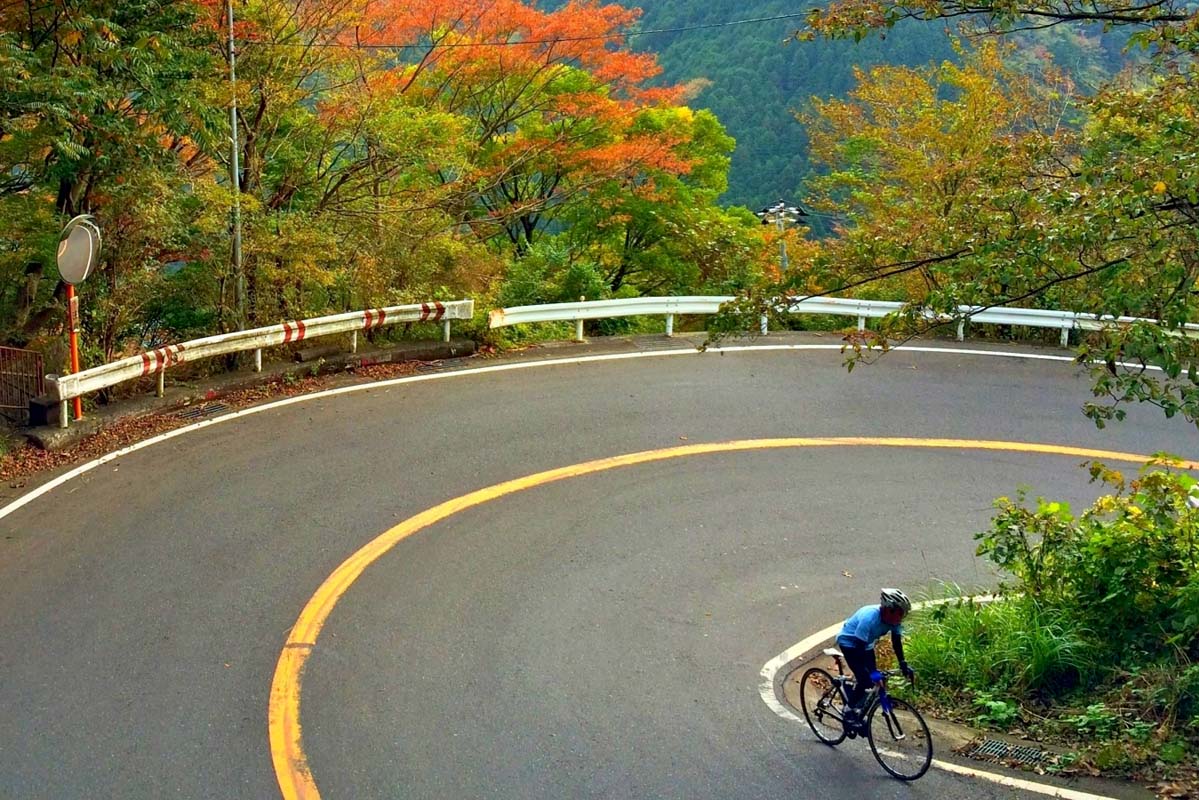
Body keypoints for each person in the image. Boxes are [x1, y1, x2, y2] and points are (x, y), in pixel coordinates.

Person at [836, 588, 915, 731]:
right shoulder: (869, 618)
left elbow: (896, 642)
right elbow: (859, 651)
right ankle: (848, 710)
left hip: (866, 645)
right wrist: (871, 672)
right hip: (850, 643)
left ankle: (858, 703)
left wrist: (903, 664)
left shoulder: (894, 620)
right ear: (888, 609)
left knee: (875, 678)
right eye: (899, 614)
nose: (901, 618)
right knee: (865, 679)